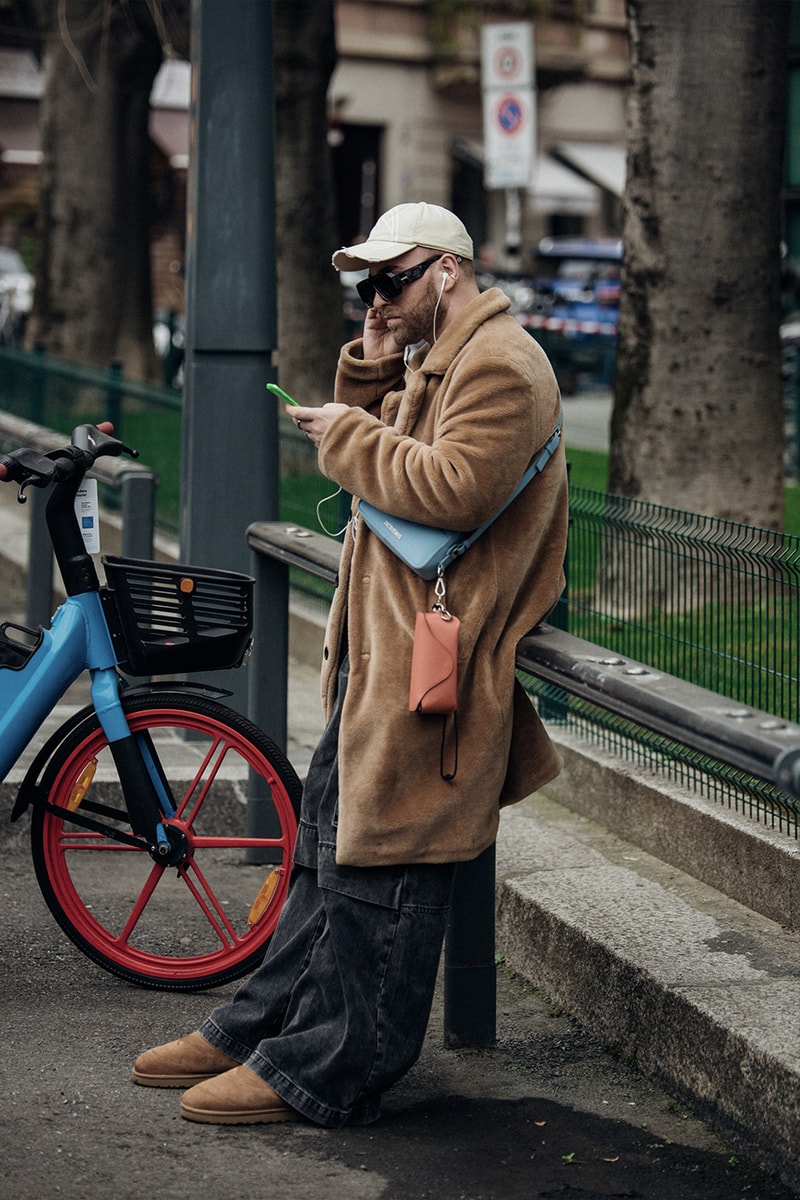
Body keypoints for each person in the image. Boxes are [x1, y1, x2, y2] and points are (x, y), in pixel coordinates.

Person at [132, 202, 569, 1126]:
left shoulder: (502, 364)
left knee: (387, 874)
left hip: (435, 672)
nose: (378, 297)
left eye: (392, 280)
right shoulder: (434, 356)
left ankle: (337, 1066)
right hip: (385, 661)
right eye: (366, 285)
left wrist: (350, 436)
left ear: (447, 271)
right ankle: (263, 1025)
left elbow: (450, 489)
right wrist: (372, 360)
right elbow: (389, 455)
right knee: (324, 856)